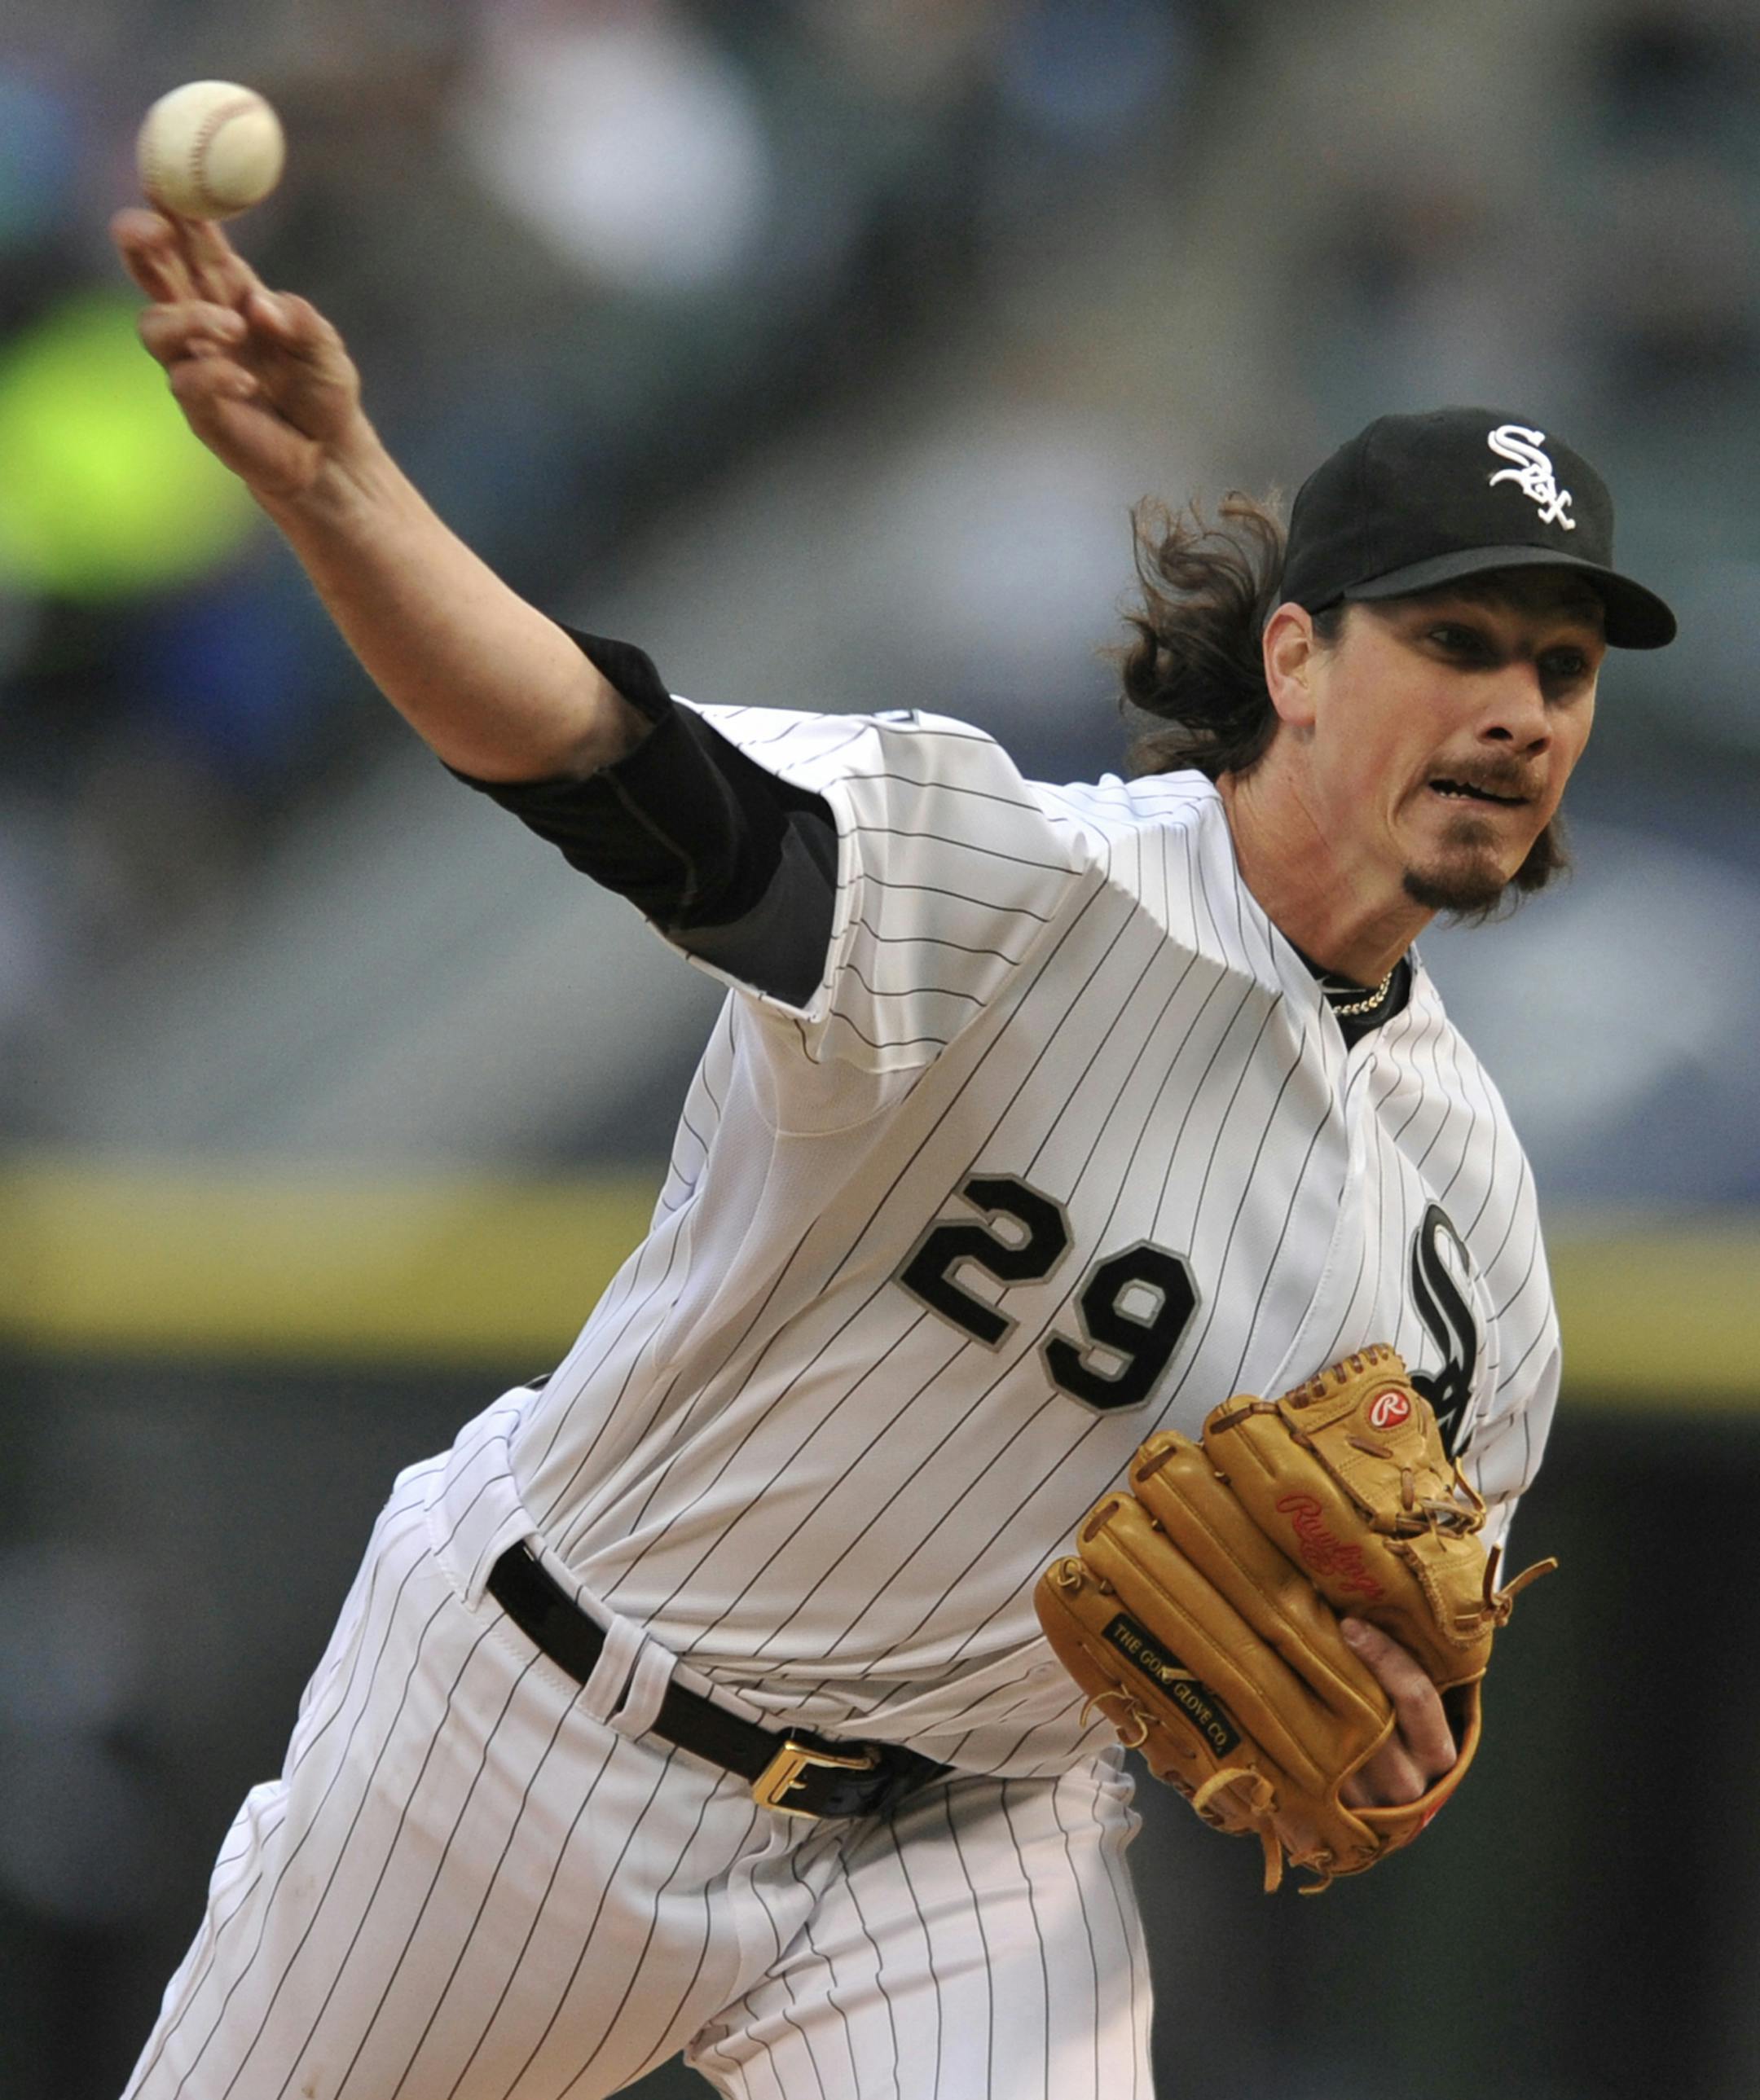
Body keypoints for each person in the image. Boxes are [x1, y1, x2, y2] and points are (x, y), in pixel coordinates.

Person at [110, 206, 1674, 2100]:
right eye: (1459, 639)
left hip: (970, 1844)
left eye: (1565, 668)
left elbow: (1416, 1679)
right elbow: (603, 757)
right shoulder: (1010, 882)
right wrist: (346, 489)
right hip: (540, 1727)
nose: (1520, 708)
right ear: (1299, 658)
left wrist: (1402, 1732)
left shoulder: (1478, 1237)